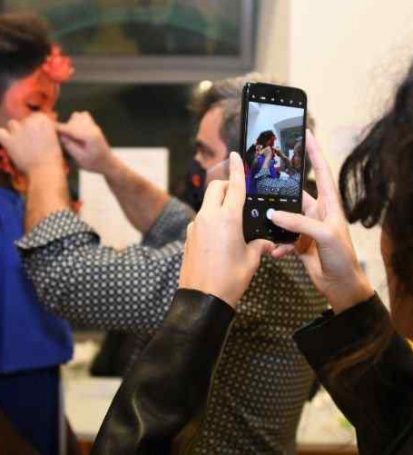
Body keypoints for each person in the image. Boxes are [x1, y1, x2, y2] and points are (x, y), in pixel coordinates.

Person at [7, 74, 326, 454]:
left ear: (242, 165)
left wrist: (42, 164)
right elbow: (174, 223)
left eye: (205, 152)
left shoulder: (253, 257)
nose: (196, 163)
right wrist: (106, 165)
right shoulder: (291, 237)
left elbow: (66, 275)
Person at [0, 13, 76, 454]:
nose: (47, 122)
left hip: (40, 375)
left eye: (51, 108)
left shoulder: (23, 187)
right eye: (34, 106)